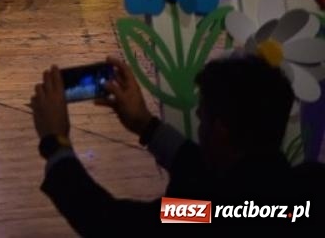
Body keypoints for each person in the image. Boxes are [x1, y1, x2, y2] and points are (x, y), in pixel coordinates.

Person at [33, 55, 325, 234]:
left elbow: (111, 222)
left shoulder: (203, 214)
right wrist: (146, 125)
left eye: (203, 116)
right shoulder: (311, 187)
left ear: (220, 129)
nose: (199, 122)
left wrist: (56, 143)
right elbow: (223, 186)